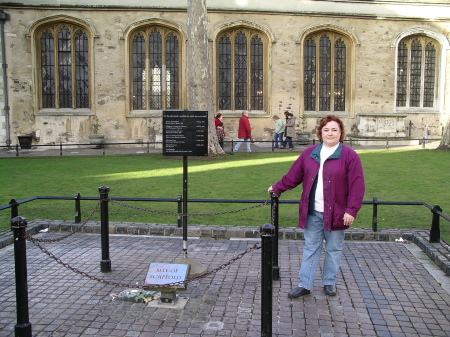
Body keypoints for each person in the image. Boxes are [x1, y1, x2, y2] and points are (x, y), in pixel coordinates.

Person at [267, 115, 365, 298]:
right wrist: (277, 187)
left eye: (334, 130)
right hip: (313, 212)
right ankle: (305, 284)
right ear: (320, 132)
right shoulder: (310, 153)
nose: (330, 133)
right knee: (311, 248)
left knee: (334, 249)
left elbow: (357, 187)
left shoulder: (349, 156)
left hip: (337, 213)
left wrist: (351, 210)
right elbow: (294, 176)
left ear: (341, 133)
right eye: (326, 129)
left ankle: (329, 282)